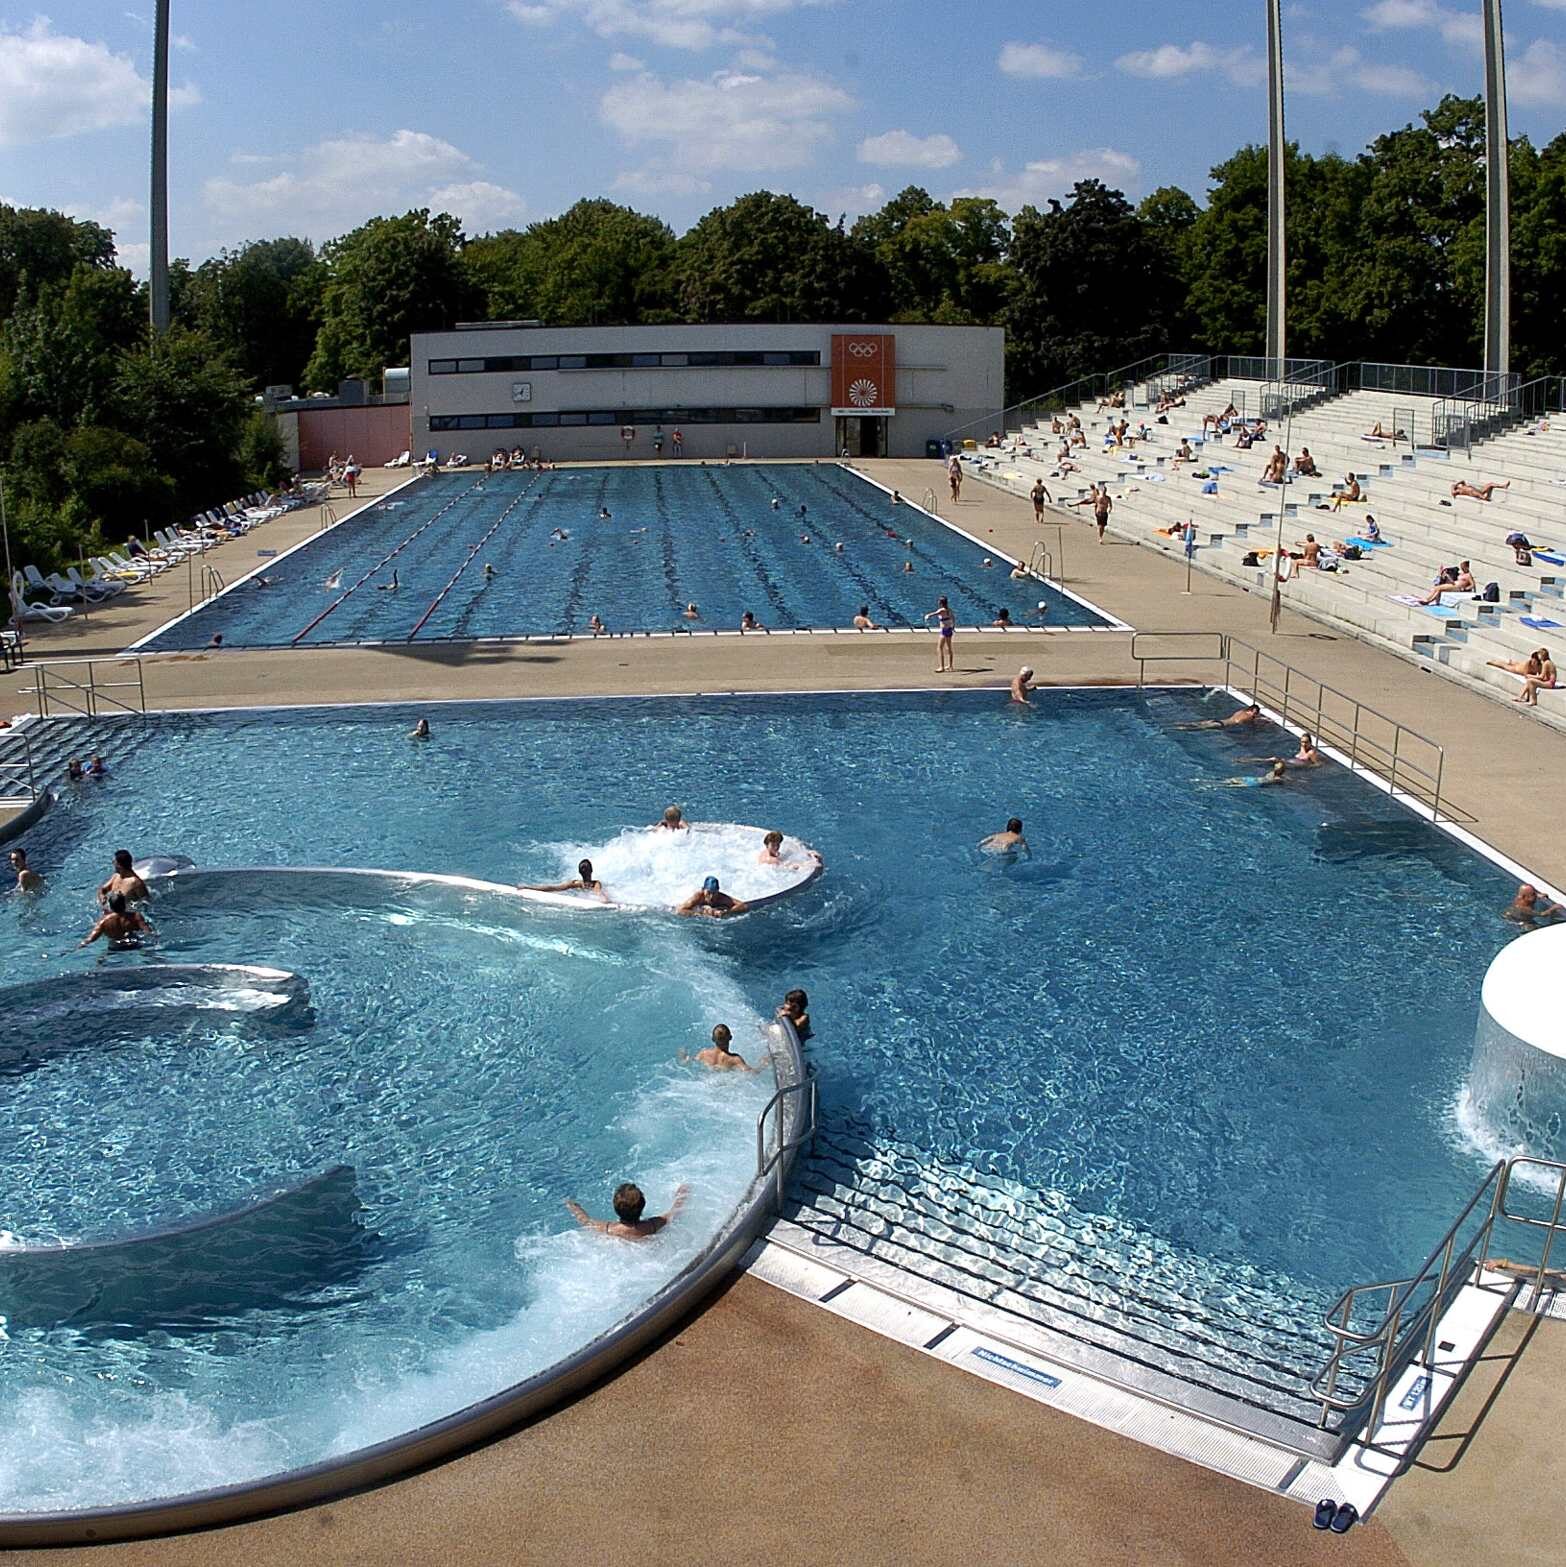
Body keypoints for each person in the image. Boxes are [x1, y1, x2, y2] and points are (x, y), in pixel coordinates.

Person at [565, 1182, 689, 1241]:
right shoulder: (653, 1225)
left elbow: (585, 1220)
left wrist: (572, 1205)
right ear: (642, 1206)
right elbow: (675, 1212)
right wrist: (681, 1193)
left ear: (615, 1208)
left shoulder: (608, 1230)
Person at [80, 892, 152, 949]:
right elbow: (147, 932)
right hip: (134, 945)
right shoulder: (135, 916)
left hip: (115, 947)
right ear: (124, 904)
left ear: (111, 906)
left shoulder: (103, 921)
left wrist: (80, 946)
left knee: (102, 958)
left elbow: (90, 939)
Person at [523, 858, 610, 902]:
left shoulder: (575, 884)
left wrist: (529, 887)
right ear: (591, 870)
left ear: (579, 872)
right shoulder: (594, 884)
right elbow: (599, 893)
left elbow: (554, 888)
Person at [682, 1023, 761, 1072]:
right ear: (730, 1038)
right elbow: (751, 1073)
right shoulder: (734, 1059)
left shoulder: (703, 1053)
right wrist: (764, 1064)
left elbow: (689, 1061)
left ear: (713, 1039)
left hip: (706, 1084)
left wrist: (684, 1056)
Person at [676, 876, 748, 918]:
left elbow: (743, 905)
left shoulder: (721, 897)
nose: (711, 896)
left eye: (714, 893)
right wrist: (701, 914)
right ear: (703, 890)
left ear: (718, 891)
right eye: (708, 893)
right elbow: (680, 910)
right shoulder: (698, 897)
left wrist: (726, 912)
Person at [1173, 702, 1262, 731]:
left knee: (1194, 723)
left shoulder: (1241, 711)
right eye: (1255, 713)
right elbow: (1241, 722)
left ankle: (1180, 723)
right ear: (1252, 711)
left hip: (1218, 720)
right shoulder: (1248, 717)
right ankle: (1181, 728)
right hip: (1221, 725)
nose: (1254, 714)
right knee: (1199, 728)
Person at [925, 596, 956, 672]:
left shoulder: (941, 610)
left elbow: (934, 614)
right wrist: (953, 626)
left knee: (939, 648)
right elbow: (953, 618)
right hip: (949, 629)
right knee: (949, 648)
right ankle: (950, 666)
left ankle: (941, 667)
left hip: (944, 630)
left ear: (941, 603)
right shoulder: (949, 610)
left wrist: (927, 616)